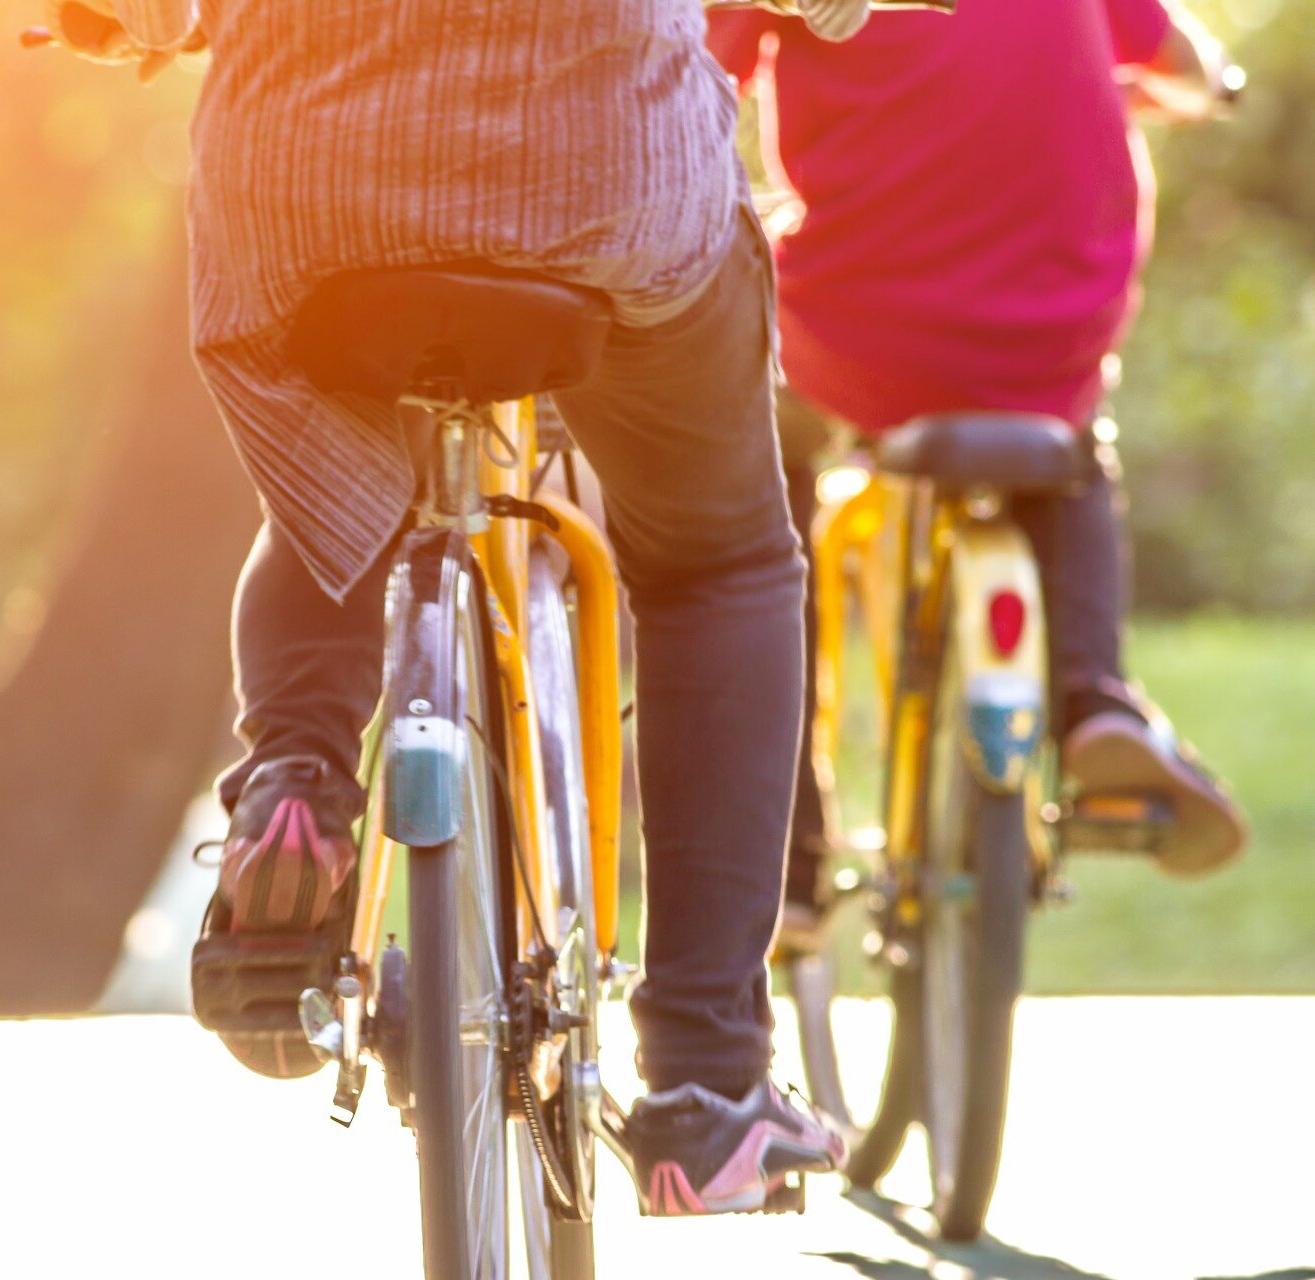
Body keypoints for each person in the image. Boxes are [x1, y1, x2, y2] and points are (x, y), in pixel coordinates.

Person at [146, 0, 881, 1213]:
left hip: (312, 199)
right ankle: (707, 1083)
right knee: (719, 566)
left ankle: (297, 774)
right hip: (606, 188)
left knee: (335, 476)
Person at [708, 0, 1249, 947]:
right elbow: (1183, 61)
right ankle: (1092, 696)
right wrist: (1215, 88)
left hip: (852, 319)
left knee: (767, 480)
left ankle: (784, 859)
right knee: (1070, 446)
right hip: (1055, 314)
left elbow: (701, 70)